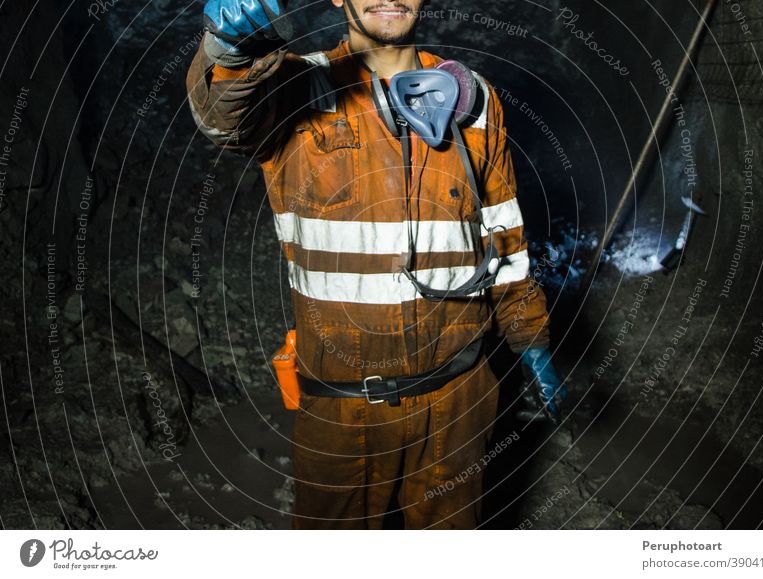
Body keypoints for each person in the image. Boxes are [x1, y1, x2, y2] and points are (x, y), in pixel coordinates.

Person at [186, 0, 567, 529]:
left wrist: (531, 339)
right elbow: (224, 119)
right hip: (342, 404)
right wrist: (228, 54)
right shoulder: (299, 88)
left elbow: (504, 228)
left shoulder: (473, 98)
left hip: (459, 393)